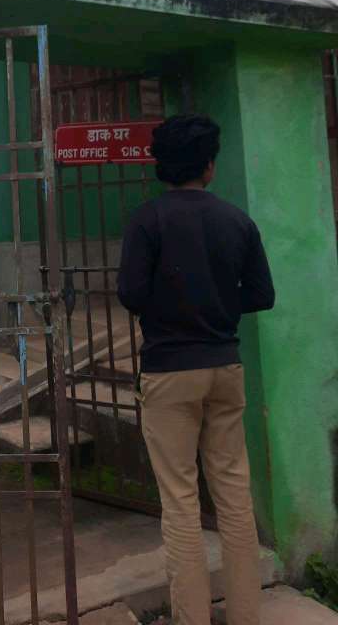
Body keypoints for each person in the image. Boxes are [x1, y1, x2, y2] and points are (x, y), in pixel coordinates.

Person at [117, 114, 275, 625]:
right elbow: (262, 295)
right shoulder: (238, 221)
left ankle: (192, 618)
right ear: (209, 166)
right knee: (233, 495)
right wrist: (217, 304)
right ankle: (246, 614)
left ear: (162, 167)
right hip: (224, 366)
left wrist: (172, 305)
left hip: (168, 372)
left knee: (181, 501)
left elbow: (130, 294)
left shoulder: (147, 220)